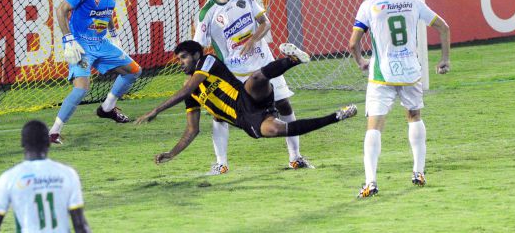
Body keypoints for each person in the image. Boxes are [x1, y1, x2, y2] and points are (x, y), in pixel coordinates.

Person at [134, 40, 357, 165]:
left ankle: (293, 60)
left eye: (183, 58)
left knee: (256, 79)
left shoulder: (208, 61)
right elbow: (192, 130)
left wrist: (156, 110)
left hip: (247, 97)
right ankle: (337, 116)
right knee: (275, 130)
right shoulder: (191, 95)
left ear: (195, 55)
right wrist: (171, 154)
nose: (181, 63)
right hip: (245, 118)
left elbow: (188, 88)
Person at [193, 0, 311, 174]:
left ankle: (296, 158)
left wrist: (252, 40)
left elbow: (265, 23)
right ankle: (221, 164)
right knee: (219, 115)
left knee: (284, 105)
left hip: (265, 64)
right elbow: (198, 47)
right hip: (236, 74)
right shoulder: (207, 14)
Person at [348, 0, 450, 198]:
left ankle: (371, 182)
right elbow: (444, 27)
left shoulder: (369, 5)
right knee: (414, 117)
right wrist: (445, 59)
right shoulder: (413, 2)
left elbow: (353, 43)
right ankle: (419, 172)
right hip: (410, 72)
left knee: (375, 125)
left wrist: (361, 61)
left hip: (382, 75)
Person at [49, 0, 142, 144]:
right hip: (81, 45)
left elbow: (106, 11)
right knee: (82, 88)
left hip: (101, 42)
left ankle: (107, 108)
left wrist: (113, 33)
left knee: (134, 70)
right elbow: (61, 9)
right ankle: (54, 132)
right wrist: (68, 40)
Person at [0, 120, 91, 233]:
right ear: (48, 143)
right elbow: (80, 226)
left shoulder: (9, 178)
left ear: (22, 143)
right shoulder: (68, 174)